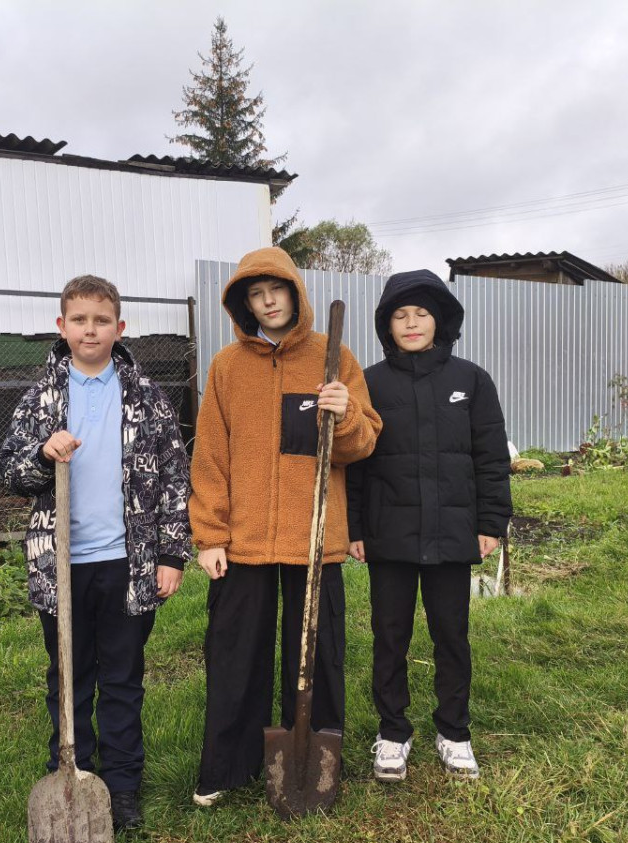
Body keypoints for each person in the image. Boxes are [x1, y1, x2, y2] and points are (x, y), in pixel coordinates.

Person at [188, 246, 382, 805]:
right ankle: (228, 767)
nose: (267, 300)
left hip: (314, 538)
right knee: (235, 652)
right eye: (255, 292)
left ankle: (315, 763)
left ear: (297, 293)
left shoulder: (333, 357)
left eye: (276, 289)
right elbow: (212, 456)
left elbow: (363, 442)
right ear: (243, 302)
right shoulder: (226, 367)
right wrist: (211, 535)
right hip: (242, 541)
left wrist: (344, 414)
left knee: (318, 653)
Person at [0, 274, 191, 832]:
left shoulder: (148, 398)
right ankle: (73, 769)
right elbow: (12, 471)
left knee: (124, 677)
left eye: (101, 320)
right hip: (60, 565)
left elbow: (176, 478)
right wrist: (41, 451)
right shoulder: (40, 398)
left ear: (119, 328)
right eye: (79, 320)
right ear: (61, 327)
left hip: (128, 564)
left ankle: (123, 785)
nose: (90, 329)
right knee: (69, 673)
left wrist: (171, 555)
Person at [345, 269, 512, 783]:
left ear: (440, 320)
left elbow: (489, 457)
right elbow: (354, 462)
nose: (411, 323)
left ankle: (454, 731)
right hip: (388, 535)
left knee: (451, 635)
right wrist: (354, 527)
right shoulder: (369, 382)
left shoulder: (471, 380)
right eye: (400, 315)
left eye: (421, 313)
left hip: (451, 532)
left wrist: (490, 522)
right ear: (386, 324)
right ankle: (393, 732)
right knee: (388, 636)